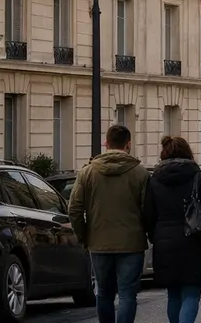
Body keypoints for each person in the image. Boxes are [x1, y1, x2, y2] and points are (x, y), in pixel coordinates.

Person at [68, 124, 151, 323]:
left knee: (104, 293)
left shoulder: (87, 173)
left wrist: (84, 236)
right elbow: (148, 210)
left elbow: (74, 209)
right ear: (128, 144)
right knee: (127, 294)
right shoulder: (140, 173)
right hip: (131, 243)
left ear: (106, 143)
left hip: (98, 241)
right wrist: (146, 232)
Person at [142, 136, 201, 323]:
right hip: (193, 239)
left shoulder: (154, 179)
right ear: (188, 153)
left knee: (173, 294)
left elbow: (148, 213)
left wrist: (154, 235)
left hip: (165, 242)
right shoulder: (197, 176)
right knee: (190, 293)